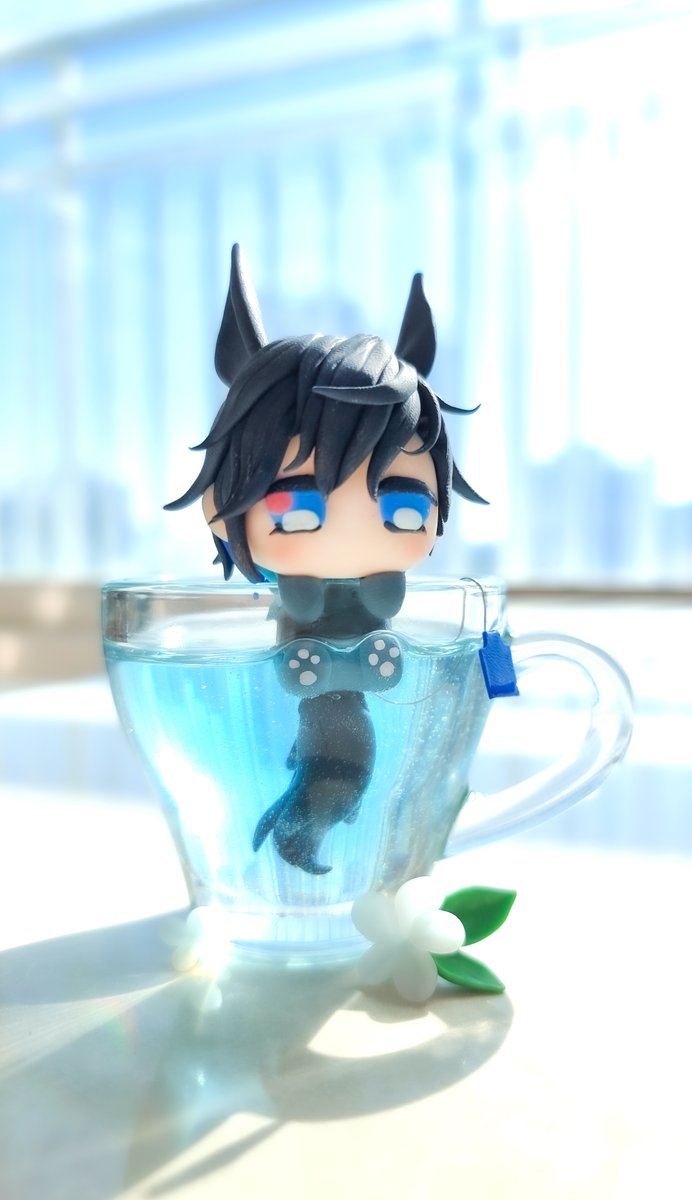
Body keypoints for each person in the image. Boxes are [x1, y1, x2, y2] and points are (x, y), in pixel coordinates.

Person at [166, 244, 484, 873]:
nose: (350, 530)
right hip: (320, 685)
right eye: (296, 510)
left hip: (342, 689)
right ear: (219, 508)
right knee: (337, 754)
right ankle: (302, 825)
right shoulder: (304, 599)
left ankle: (313, 826)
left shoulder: (376, 595)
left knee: (345, 756)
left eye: (402, 511)